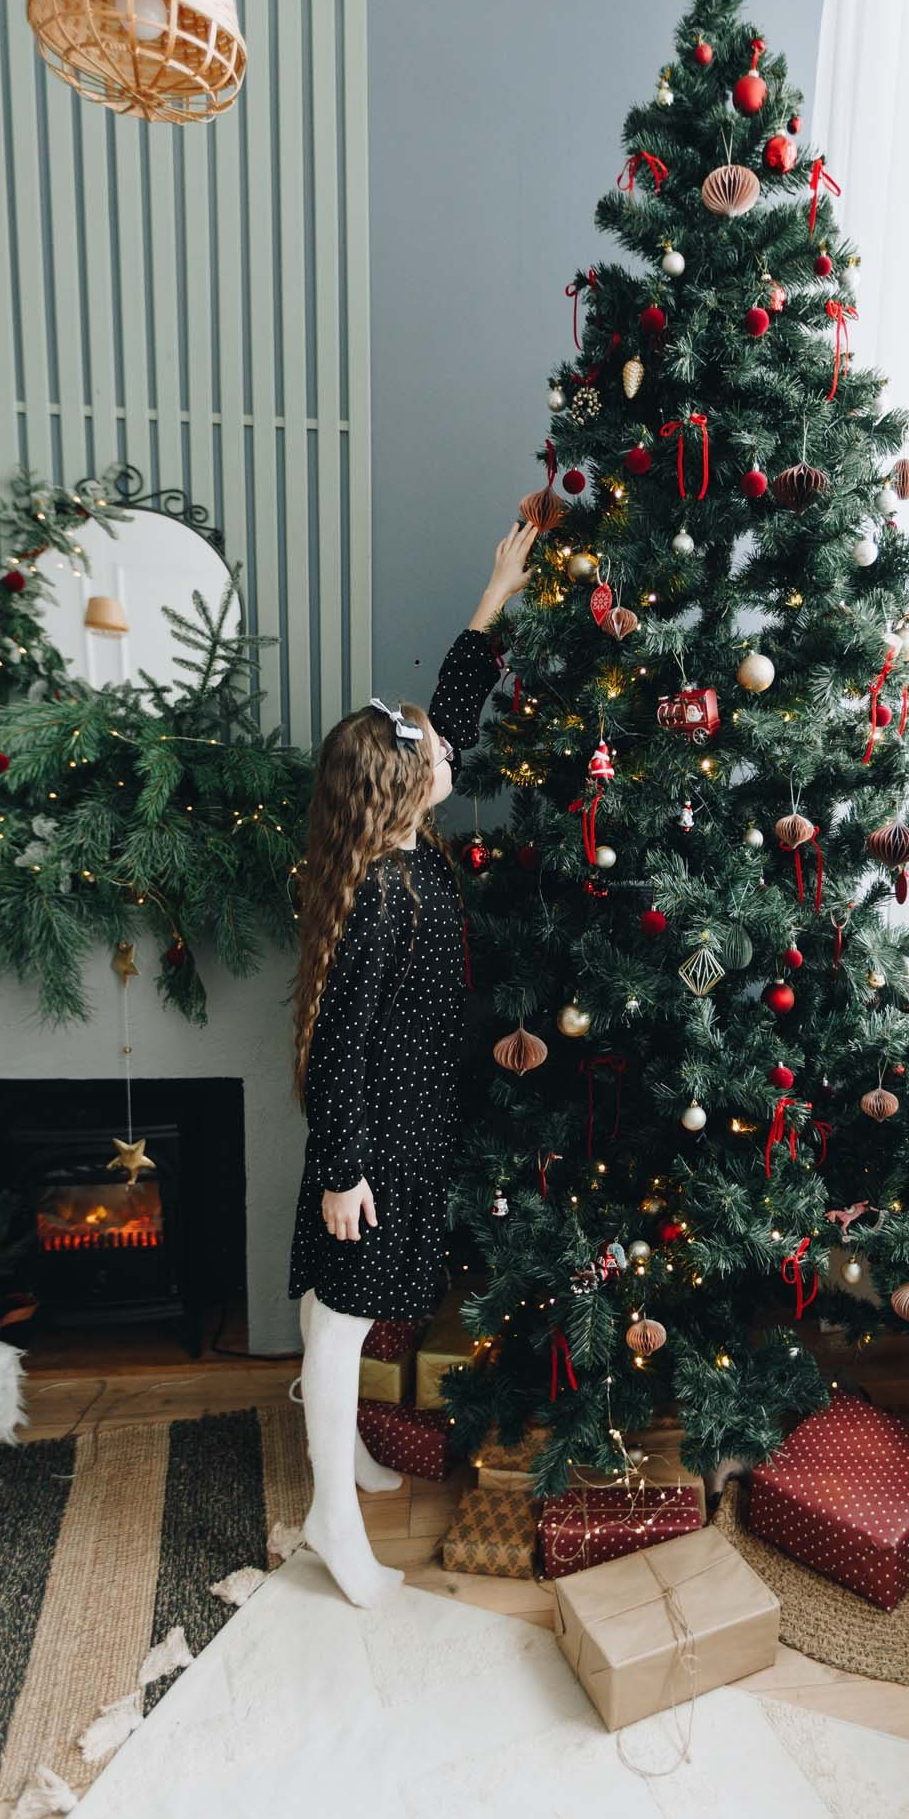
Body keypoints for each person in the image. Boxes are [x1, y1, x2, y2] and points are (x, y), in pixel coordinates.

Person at [287, 520, 538, 1608]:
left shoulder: (401, 853)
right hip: (372, 1144)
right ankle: (330, 1515)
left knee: (336, 1309)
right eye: (431, 755)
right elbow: (339, 1046)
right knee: (340, 1317)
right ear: (397, 790)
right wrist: (345, 1170)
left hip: (401, 1130)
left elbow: (449, 713)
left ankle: (340, 1464)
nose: (448, 754)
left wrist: (491, 601)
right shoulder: (383, 896)